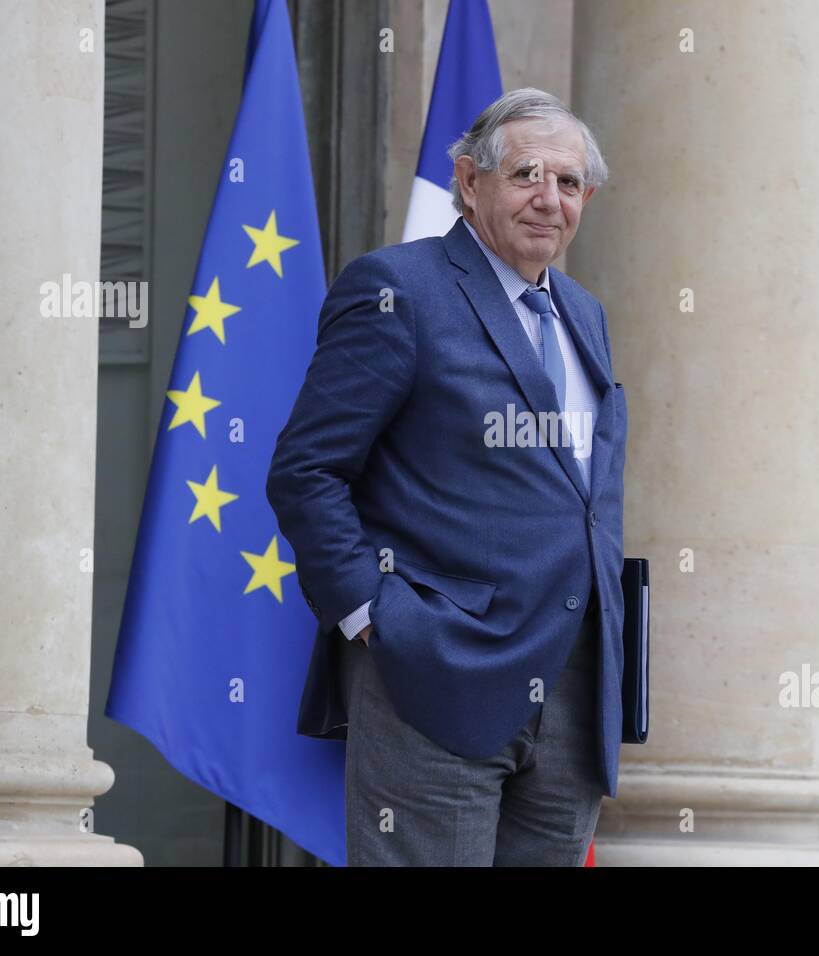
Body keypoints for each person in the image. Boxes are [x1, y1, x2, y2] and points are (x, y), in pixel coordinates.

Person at [266, 87, 627, 866]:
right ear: (469, 182)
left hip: (573, 686)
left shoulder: (584, 315)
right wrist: (372, 617)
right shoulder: (400, 290)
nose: (549, 199)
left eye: (569, 184)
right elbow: (307, 468)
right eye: (527, 173)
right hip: (437, 670)